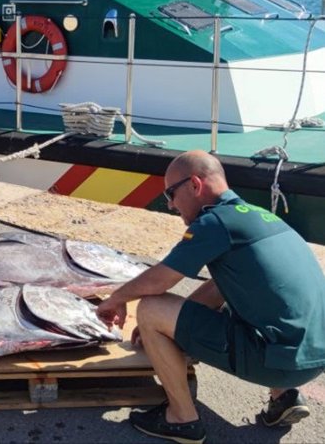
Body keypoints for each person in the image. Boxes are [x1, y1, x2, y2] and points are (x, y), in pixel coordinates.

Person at [97, 150, 325, 444]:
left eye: (171, 193)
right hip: (313, 357)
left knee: (151, 307)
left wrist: (116, 299)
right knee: (241, 297)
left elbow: (160, 279)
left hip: (278, 362)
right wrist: (174, 329)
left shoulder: (214, 222)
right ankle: (285, 398)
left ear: (194, 185)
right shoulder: (259, 216)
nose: (170, 204)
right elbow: (219, 288)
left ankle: (181, 419)